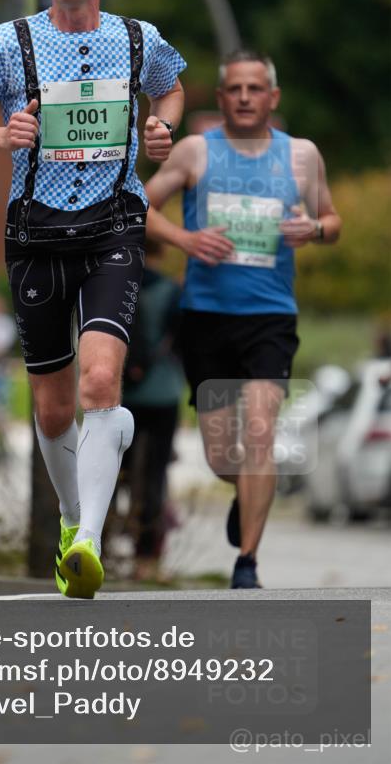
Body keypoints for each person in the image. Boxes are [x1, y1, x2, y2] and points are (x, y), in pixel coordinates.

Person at [0, 0, 186, 598]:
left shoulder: (139, 40)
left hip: (113, 226)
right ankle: (73, 521)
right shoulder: (7, 43)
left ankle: (87, 543)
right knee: (52, 411)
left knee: (100, 385)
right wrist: (0, 136)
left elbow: (170, 83)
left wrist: (160, 123)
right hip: (35, 235)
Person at [146, 49, 341, 587]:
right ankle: (244, 491)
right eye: (235, 89)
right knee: (221, 457)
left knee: (260, 435)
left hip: (270, 318)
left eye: (256, 89)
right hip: (206, 317)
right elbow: (138, 204)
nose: (246, 97)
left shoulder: (301, 156)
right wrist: (185, 238)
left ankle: (247, 562)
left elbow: (332, 219)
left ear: (272, 98)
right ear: (222, 96)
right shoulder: (193, 152)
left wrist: (315, 231)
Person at [116, 239, 184, 580]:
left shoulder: (115, 286)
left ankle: (101, 545)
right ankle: (147, 559)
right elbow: (185, 341)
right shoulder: (172, 291)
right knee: (154, 476)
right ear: (162, 252)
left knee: (113, 473)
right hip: (164, 394)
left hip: (120, 393)